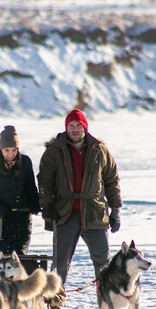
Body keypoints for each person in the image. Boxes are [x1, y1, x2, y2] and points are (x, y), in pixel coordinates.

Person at [37, 109, 122, 284]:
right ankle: (55, 303)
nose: (74, 129)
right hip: (66, 213)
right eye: (71, 125)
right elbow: (45, 181)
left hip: (94, 212)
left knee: (103, 263)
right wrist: (47, 206)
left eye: (78, 125)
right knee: (60, 263)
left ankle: (107, 304)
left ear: (85, 127)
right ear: (66, 128)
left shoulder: (100, 150)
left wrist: (116, 210)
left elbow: (111, 181)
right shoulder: (54, 151)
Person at [0, 125, 40, 263]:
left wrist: (34, 203)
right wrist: (0, 209)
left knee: (18, 260)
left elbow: (30, 186)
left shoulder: (25, 162)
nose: (10, 154)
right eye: (6, 150)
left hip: (21, 218)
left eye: (14, 150)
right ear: (1, 149)